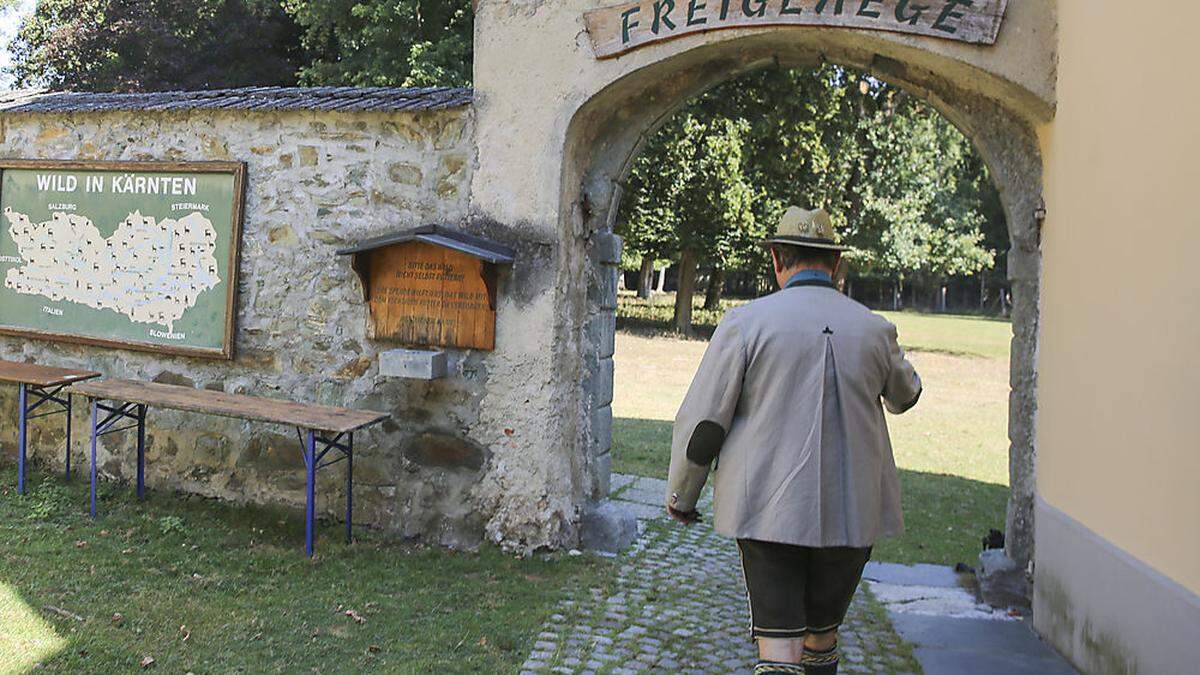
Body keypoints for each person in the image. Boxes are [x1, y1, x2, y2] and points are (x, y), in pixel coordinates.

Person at [665, 206, 922, 675]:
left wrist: (683, 495)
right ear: (837, 264)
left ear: (776, 259)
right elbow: (906, 396)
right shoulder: (875, 328)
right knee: (822, 636)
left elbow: (704, 423)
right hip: (852, 510)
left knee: (778, 644)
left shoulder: (746, 324)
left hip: (767, 509)